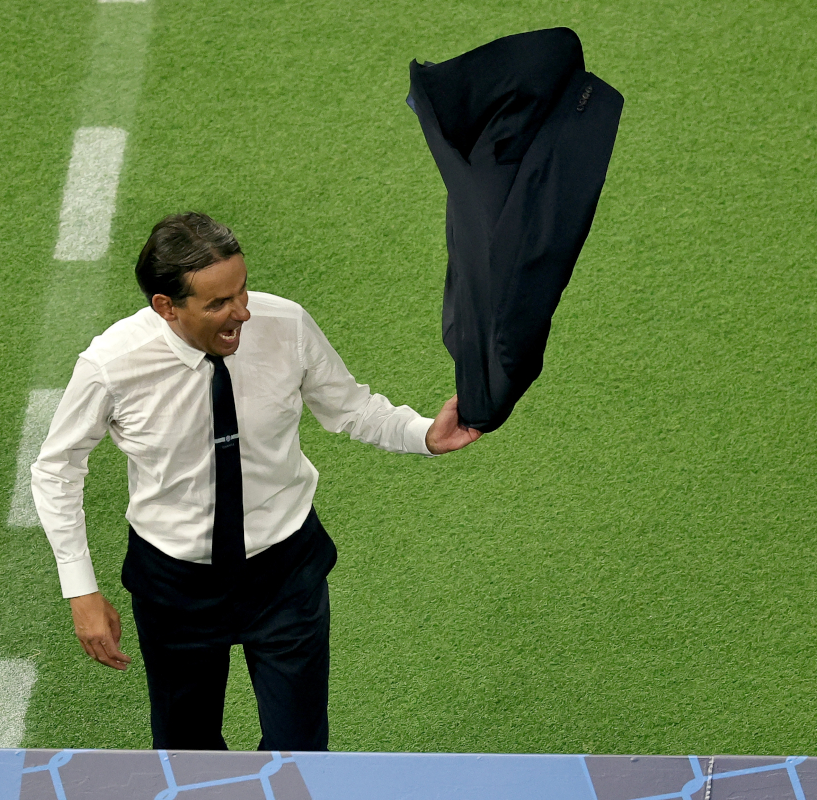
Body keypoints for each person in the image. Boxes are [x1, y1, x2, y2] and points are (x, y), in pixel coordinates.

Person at [31, 211, 481, 751]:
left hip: (286, 573)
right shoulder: (112, 365)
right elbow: (57, 469)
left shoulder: (285, 324)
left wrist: (425, 434)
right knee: (186, 754)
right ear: (166, 307)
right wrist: (80, 588)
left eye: (241, 290)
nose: (242, 312)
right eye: (218, 303)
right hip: (176, 589)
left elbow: (352, 408)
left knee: (301, 751)